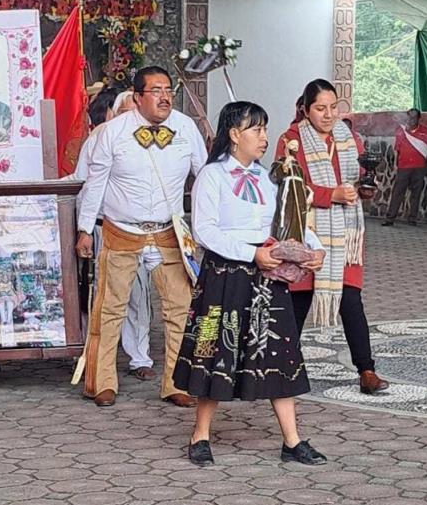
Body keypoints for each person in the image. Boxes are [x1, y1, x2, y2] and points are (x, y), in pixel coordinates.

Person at [174, 101, 327, 467]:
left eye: (264, 128)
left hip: (268, 277)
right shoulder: (212, 176)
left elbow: (287, 220)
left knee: (280, 352)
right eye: (255, 129)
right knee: (214, 349)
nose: (263, 136)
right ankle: (200, 435)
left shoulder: (267, 177)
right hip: (224, 278)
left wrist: (314, 248)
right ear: (233, 134)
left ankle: (292, 441)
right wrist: (250, 254)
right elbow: (205, 231)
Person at [76, 66, 208, 408]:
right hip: (122, 230)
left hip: (168, 232)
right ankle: (102, 381)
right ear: (137, 98)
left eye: (168, 90)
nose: (164, 97)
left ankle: (177, 382)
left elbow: (205, 178)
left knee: (180, 309)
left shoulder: (185, 127)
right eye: (156, 91)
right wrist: (85, 229)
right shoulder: (113, 132)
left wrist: (211, 228)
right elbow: (96, 184)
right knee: (109, 308)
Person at [275, 79, 388, 396]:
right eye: (320, 108)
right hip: (308, 233)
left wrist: (364, 190)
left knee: (351, 300)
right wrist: (331, 194)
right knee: (298, 301)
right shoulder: (292, 140)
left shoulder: (350, 138)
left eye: (333, 107)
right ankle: (281, 369)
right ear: (305, 109)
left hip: (346, 235)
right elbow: (289, 188)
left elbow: (362, 178)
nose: (328, 115)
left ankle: (367, 371)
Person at [75, 88, 157, 381]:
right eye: (122, 113)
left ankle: (140, 357)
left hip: (144, 231)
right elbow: (83, 186)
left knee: (139, 294)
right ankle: (98, 362)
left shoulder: (154, 140)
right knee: (106, 296)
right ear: (111, 114)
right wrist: (83, 230)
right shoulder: (98, 139)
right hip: (104, 228)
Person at [382, 108, 427, 226]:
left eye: (414, 117)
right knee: (397, 193)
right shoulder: (401, 131)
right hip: (403, 167)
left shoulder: (425, 131)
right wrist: (396, 166)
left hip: (419, 167)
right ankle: (390, 218)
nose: (411, 119)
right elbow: (397, 150)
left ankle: (412, 219)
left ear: (418, 118)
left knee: (416, 194)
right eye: (409, 117)